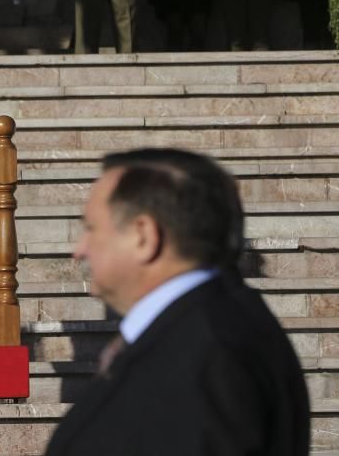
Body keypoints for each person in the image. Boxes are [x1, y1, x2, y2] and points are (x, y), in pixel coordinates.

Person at [45, 148, 310, 456]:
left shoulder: (212, 355)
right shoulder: (204, 326)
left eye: (91, 229)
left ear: (143, 236)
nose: (79, 250)